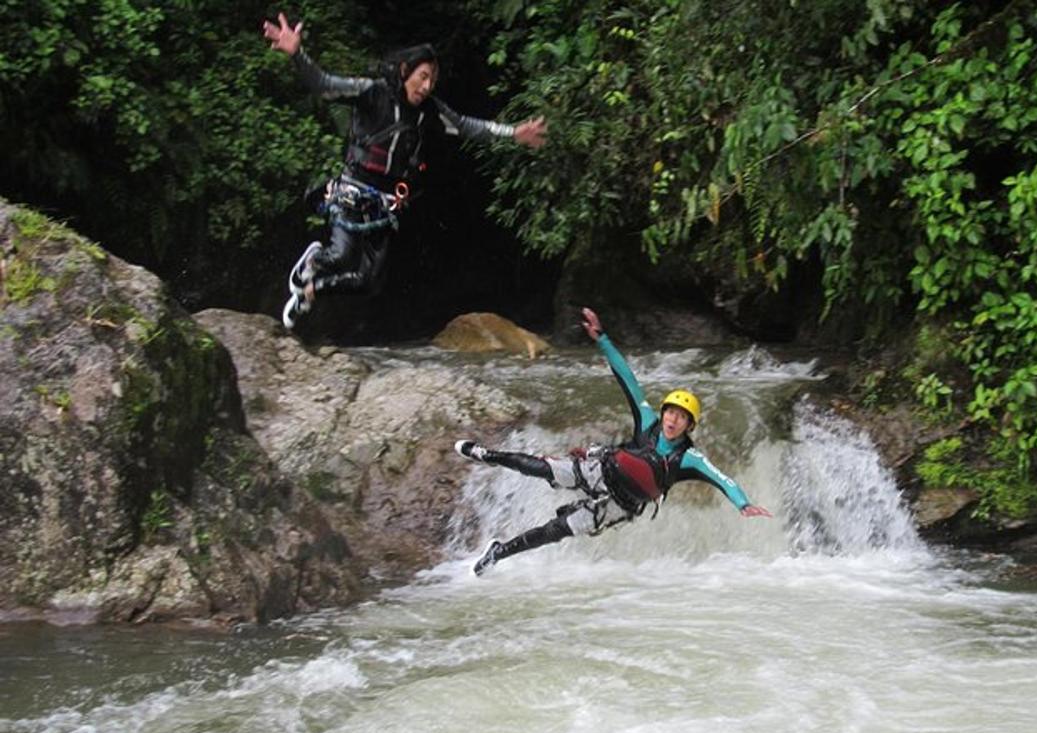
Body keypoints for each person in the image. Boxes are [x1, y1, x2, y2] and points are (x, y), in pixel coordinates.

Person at [262, 12, 547, 329]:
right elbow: (324, 85)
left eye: (432, 81)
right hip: (351, 188)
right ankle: (313, 261)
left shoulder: (429, 113)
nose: (426, 86)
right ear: (404, 71)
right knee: (341, 256)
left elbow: (468, 126)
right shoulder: (371, 92)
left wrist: (514, 134)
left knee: (368, 281)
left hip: (384, 203)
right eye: (422, 77)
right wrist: (296, 53)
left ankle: (309, 292)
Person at [455, 307, 772, 575]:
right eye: (670, 413)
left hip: (618, 505)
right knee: (541, 468)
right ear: (663, 414)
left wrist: (742, 503)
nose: (673, 420)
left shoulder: (689, 458)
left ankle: (498, 552)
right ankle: (486, 454)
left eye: (681, 417)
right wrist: (602, 338)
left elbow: (723, 479)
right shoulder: (648, 421)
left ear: (690, 425)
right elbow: (627, 378)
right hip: (600, 469)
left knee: (556, 531)